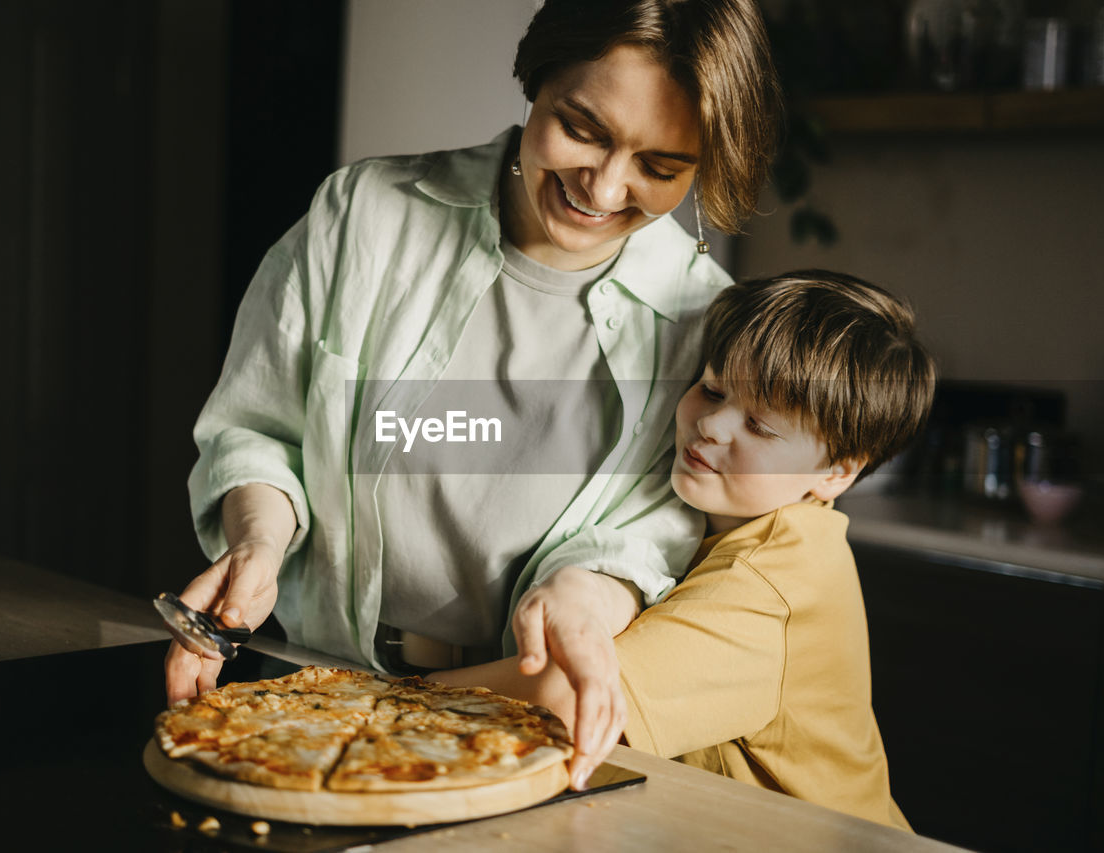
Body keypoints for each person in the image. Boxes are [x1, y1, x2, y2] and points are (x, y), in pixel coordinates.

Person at [165, 0, 781, 790]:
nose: (604, 184)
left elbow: (649, 523)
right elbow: (259, 428)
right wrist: (256, 543)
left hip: (515, 718)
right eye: (583, 128)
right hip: (313, 677)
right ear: (538, 78)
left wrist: (587, 596)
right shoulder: (365, 215)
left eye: (660, 168)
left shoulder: (706, 319)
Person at [439, 270, 935, 828]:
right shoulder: (721, 519)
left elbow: (565, 699)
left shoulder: (775, 578)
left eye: (760, 426)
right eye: (713, 389)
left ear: (835, 472)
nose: (712, 424)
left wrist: (371, 695)